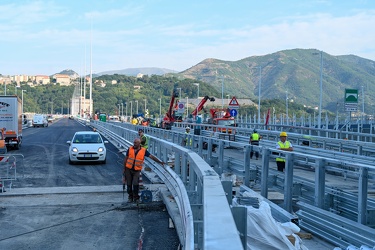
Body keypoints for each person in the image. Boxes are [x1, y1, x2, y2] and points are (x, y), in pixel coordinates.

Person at [123, 138, 165, 203]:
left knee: (135, 184)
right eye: (134, 142)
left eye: (135, 143)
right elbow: (126, 159)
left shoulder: (143, 150)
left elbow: (151, 156)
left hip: (136, 170)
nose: (134, 144)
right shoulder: (130, 149)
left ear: (139, 144)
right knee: (129, 184)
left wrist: (160, 162)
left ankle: (136, 197)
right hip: (128, 169)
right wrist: (124, 169)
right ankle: (130, 197)